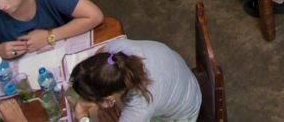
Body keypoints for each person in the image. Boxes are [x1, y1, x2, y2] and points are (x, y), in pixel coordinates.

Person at [69, 41, 201, 122]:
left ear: (109, 100)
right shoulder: (115, 52)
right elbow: (99, 53)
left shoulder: (140, 106)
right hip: (181, 79)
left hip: (183, 112)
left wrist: (82, 117)